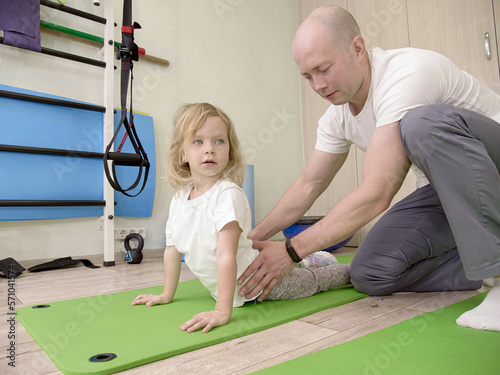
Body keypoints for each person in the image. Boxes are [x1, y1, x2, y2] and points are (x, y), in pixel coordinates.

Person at [237, 5, 500, 332]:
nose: (318, 86)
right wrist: (248, 239)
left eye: (324, 69)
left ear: (357, 48)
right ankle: (481, 270)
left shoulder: (407, 72)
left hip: (494, 168)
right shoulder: (337, 116)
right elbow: (308, 185)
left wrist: (291, 250)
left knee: (420, 124)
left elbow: (378, 191)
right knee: (370, 271)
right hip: (450, 193)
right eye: (308, 77)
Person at [131, 103, 350, 333]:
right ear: (182, 153)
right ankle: (311, 259)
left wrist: (221, 312)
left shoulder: (227, 195)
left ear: (230, 151)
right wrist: (166, 294)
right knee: (302, 269)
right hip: (228, 287)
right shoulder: (179, 198)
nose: (209, 149)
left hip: (259, 283)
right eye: (198, 141)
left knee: (313, 282)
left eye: (219, 141)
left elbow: (226, 256)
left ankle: (340, 269)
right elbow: (172, 250)